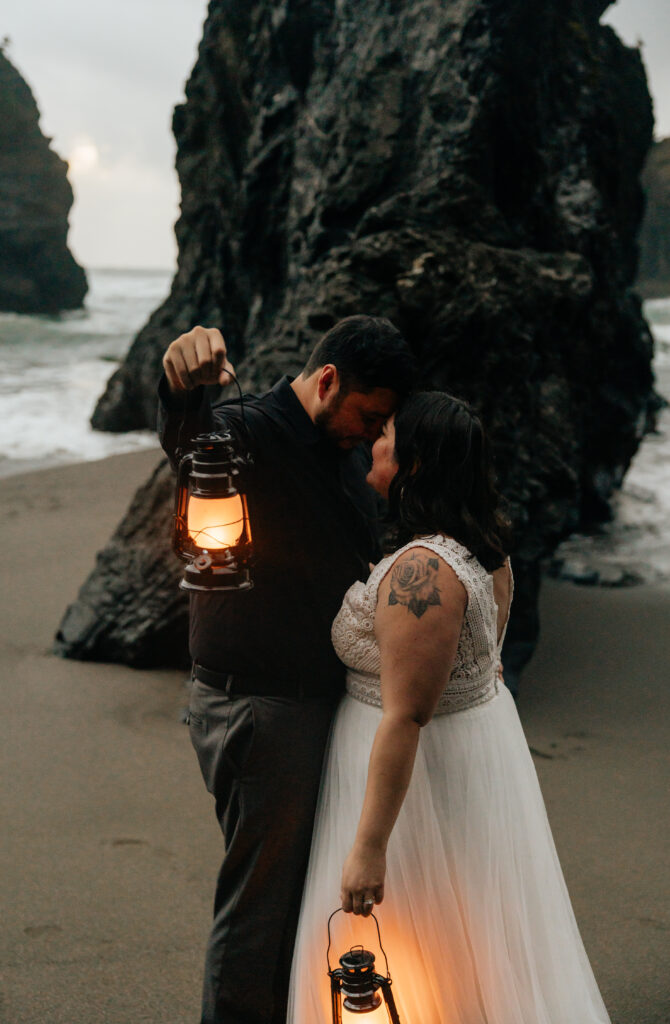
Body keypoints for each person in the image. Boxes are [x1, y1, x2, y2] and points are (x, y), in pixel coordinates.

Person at [288, 392, 611, 1023]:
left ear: (412, 463)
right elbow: (482, 667)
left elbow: (407, 714)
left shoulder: (424, 572)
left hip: (411, 782)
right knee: (462, 934)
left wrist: (369, 847)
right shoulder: (481, 550)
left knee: (414, 934)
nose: (372, 444)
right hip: (465, 760)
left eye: (384, 435)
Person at [158, 315, 416, 1024]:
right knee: (258, 911)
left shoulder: (342, 456)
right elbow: (188, 449)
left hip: (305, 707)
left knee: (286, 900)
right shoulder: (244, 432)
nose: (371, 432)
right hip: (258, 709)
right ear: (328, 380)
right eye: (370, 414)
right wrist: (179, 382)